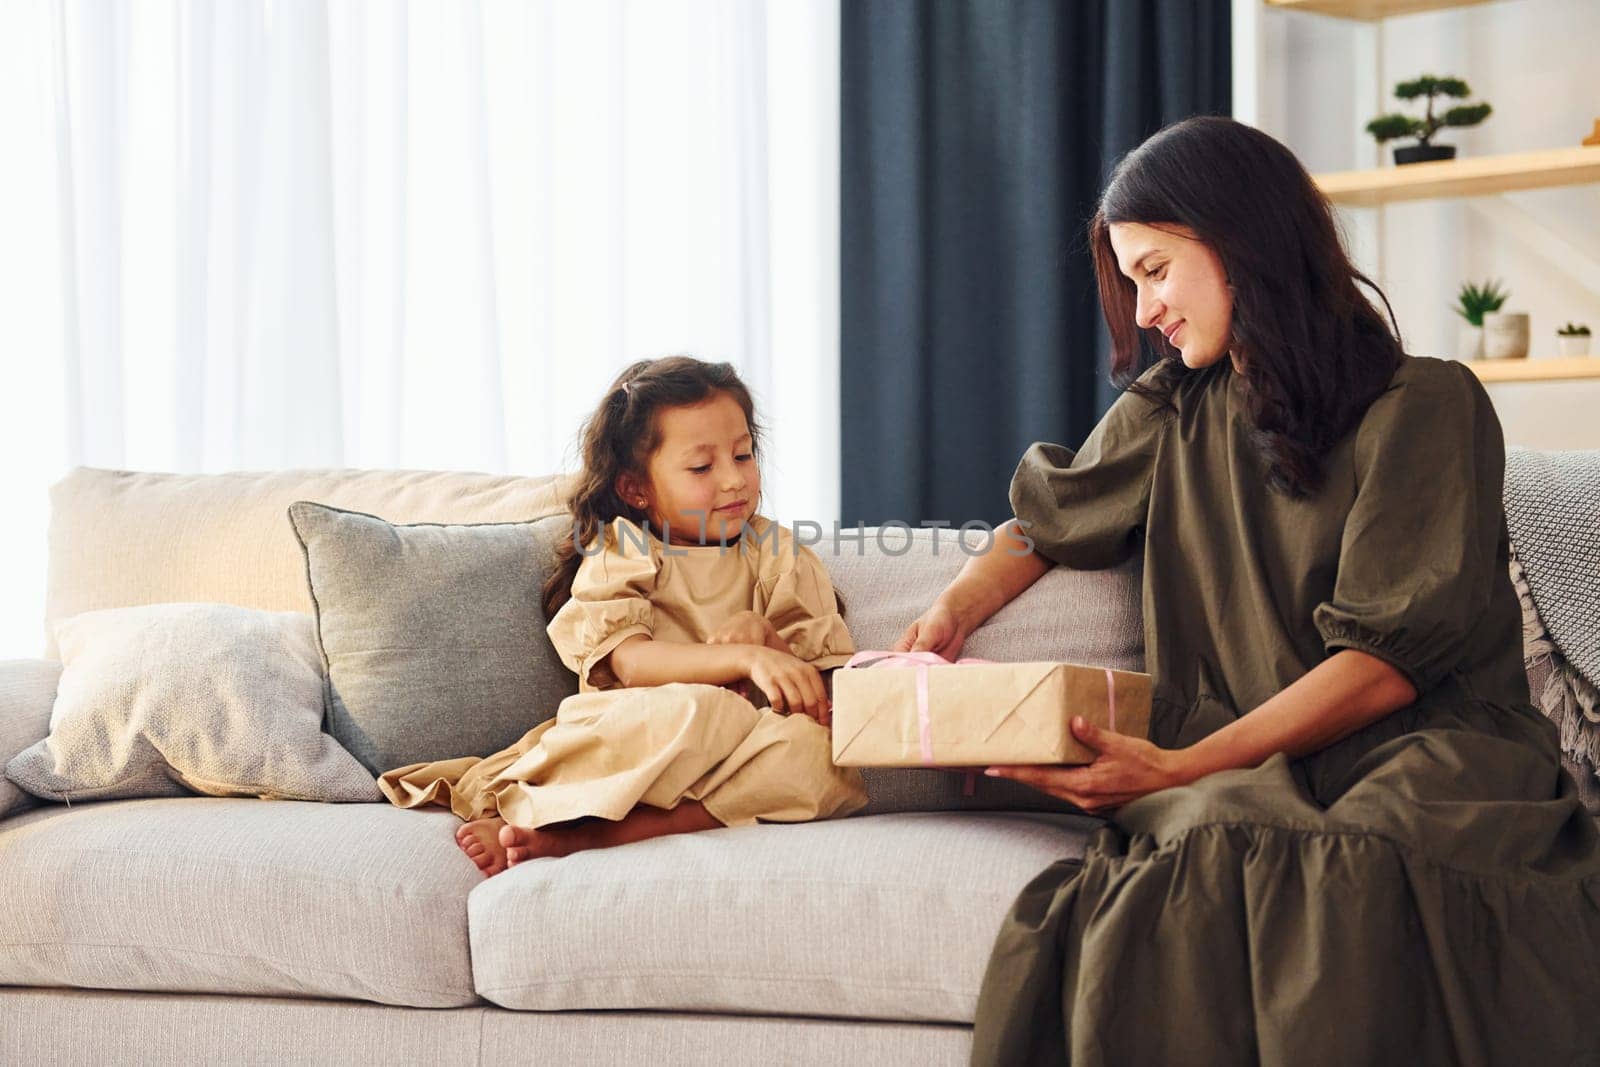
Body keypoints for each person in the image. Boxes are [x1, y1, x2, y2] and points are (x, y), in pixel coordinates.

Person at [896, 116, 1600, 1064]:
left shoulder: (1428, 404)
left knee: (1353, 868)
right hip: (1242, 769)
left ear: (1239, 241)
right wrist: (952, 610)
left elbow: (1386, 667)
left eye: (1154, 270)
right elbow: (1047, 520)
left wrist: (1183, 766)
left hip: (1428, 751)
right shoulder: (1168, 409)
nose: (1142, 312)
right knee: (1193, 870)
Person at [381, 356, 866, 876]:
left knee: (823, 756)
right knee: (701, 710)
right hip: (648, 730)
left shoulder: (777, 554)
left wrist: (768, 640)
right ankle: (547, 812)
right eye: (702, 467)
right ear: (636, 488)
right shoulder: (627, 548)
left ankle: (606, 834)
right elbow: (630, 663)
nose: (733, 480)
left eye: (743, 455)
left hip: (737, 752)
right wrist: (740, 658)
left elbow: (815, 692)